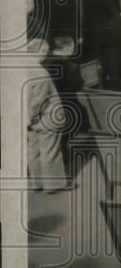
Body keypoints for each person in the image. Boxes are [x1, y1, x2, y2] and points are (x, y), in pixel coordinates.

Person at [24, 39, 74, 193]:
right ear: (40, 52)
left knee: (33, 151)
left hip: (28, 121)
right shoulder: (40, 73)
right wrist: (31, 116)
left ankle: (37, 183)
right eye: (44, 52)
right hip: (46, 118)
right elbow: (38, 101)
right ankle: (53, 184)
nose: (45, 56)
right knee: (50, 150)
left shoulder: (22, 70)